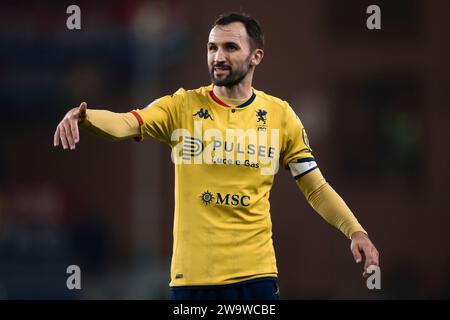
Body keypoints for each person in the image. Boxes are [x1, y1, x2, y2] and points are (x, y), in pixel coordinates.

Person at [54, 12, 379, 300]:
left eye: (230, 48)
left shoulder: (280, 116)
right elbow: (127, 122)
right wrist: (85, 117)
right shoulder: (181, 107)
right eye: (212, 48)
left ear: (256, 56)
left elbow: (316, 187)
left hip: (256, 275)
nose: (218, 57)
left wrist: (355, 231)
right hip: (194, 277)